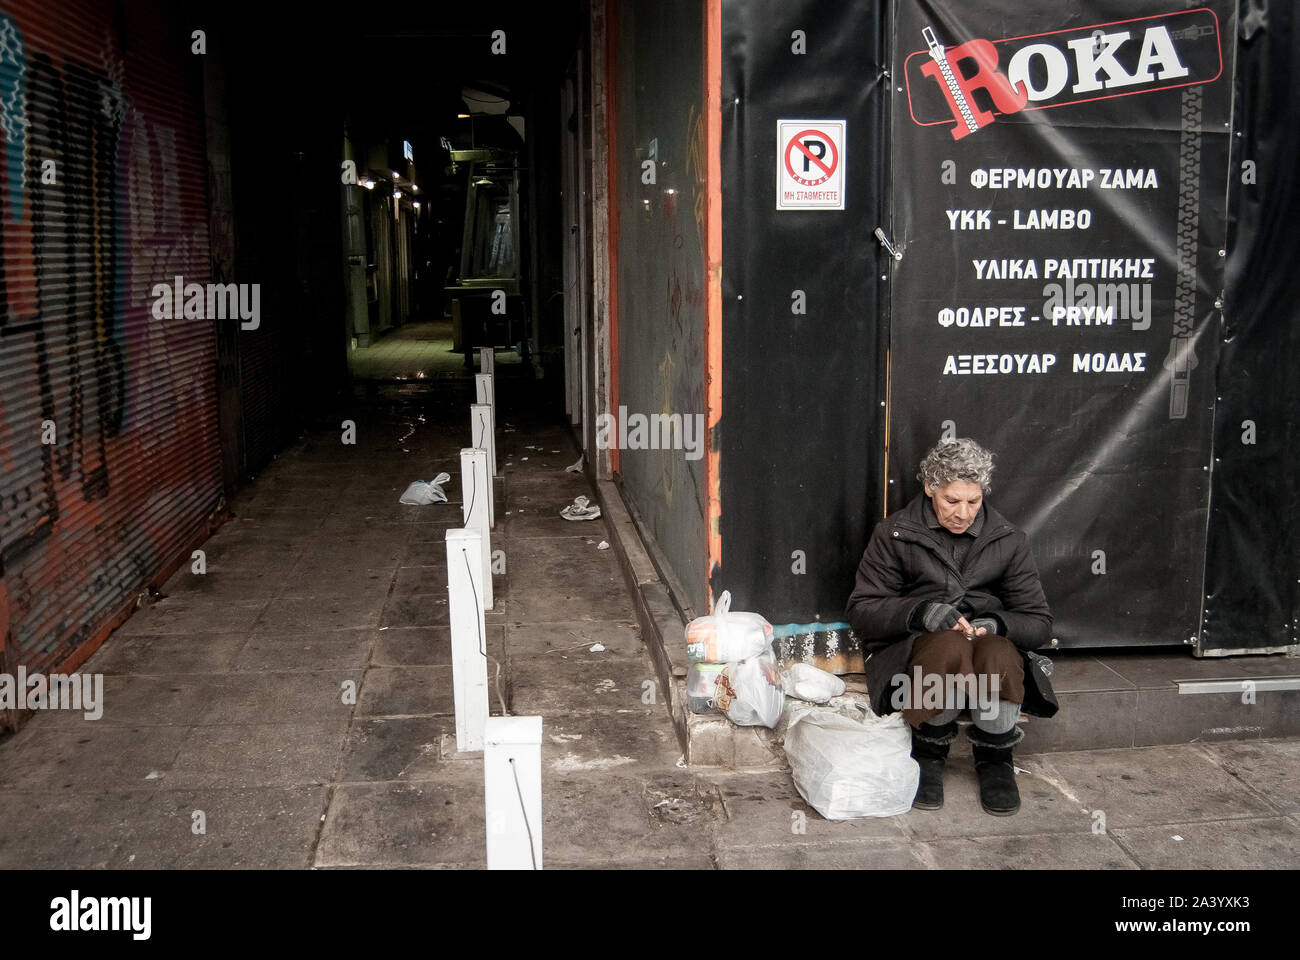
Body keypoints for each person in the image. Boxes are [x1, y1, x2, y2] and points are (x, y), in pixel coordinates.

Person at [845, 437, 1057, 816]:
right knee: (948, 648)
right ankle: (929, 750)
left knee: (997, 652)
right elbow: (863, 611)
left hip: (986, 649)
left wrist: (997, 623)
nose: (963, 513)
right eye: (951, 501)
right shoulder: (895, 534)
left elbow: (1039, 622)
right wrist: (919, 612)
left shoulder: (1008, 540)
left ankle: (995, 757)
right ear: (930, 489)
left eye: (973, 502)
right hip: (916, 649)